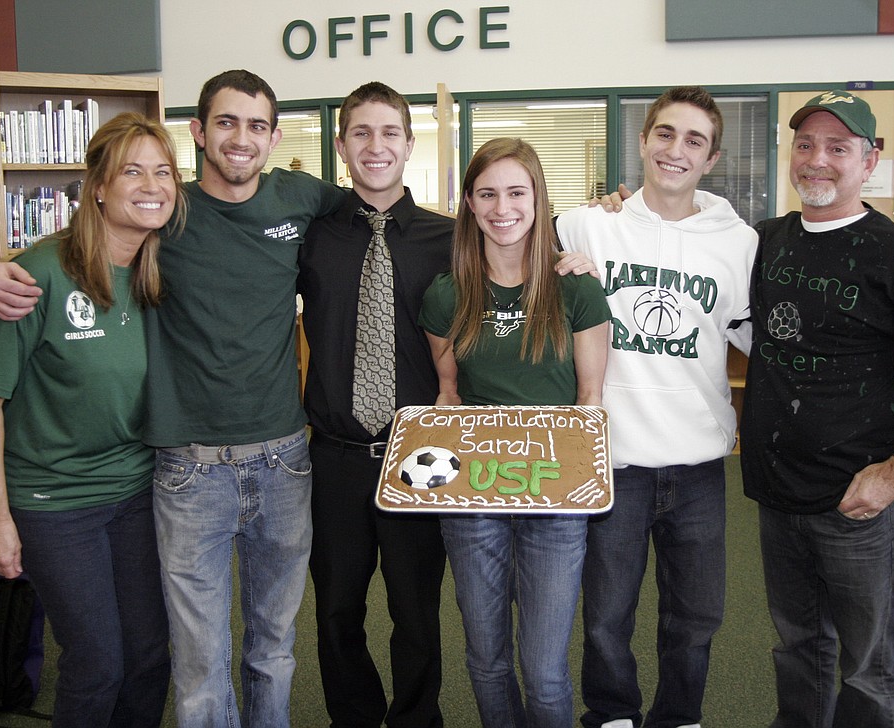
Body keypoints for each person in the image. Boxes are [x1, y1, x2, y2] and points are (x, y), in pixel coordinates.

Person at [0, 70, 348, 728]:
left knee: (259, 650)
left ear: (274, 137)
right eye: (225, 123)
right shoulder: (163, 219)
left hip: (277, 461)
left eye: (257, 125)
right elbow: (72, 255)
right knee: (186, 658)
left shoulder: (291, 200)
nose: (241, 138)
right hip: (182, 470)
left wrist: (576, 233)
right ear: (199, 133)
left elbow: (384, 213)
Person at [742, 90, 894, 728]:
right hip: (778, 494)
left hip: (861, 499)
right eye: (805, 145)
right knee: (797, 647)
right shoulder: (765, 241)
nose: (817, 160)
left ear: (870, 159)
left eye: (838, 147)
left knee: (866, 666)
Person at [0, 112, 186, 728]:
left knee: (148, 658)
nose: (151, 184)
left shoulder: (160, 269)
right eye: (132, 171)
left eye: (163, 171)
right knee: (97, 662)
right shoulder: (37, 276)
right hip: (54, 501)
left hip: (138, 493)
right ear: (97, 187)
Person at [557, 86, 756, 728]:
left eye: (693, 140)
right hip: (613, 459)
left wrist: (891, 352)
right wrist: (560, 267)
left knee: (694, 617)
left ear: (712, 157)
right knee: (607, 613)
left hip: (698, 464)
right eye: (664, 135)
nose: (676, 150)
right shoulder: (590, 224)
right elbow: (501, 247)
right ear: (643, 141)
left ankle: (679, 717)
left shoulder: (739, 244)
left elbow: (773, 341)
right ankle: (612, 713)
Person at [420, 137, 610, 727]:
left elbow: (590, 401)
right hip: (474, 499)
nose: (503, 208)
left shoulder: (576, 286)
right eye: (487, 194)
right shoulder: (447, 294)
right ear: (471, 206)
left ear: (537, 198)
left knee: (547, 670)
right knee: (487, 658)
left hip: (555, 501)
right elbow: (449, 394)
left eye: (516, 192)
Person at [297, 82, 451, 728]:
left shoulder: (451, 237)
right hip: (335, 457)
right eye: (361, 132)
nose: (376, 145)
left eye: (390, 132)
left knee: (417, 613)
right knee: (336, 611)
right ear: (341, 145)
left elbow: (523, 264)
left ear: (411, 144)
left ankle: (417, 719)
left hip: (419, 453)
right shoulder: (311, 236)